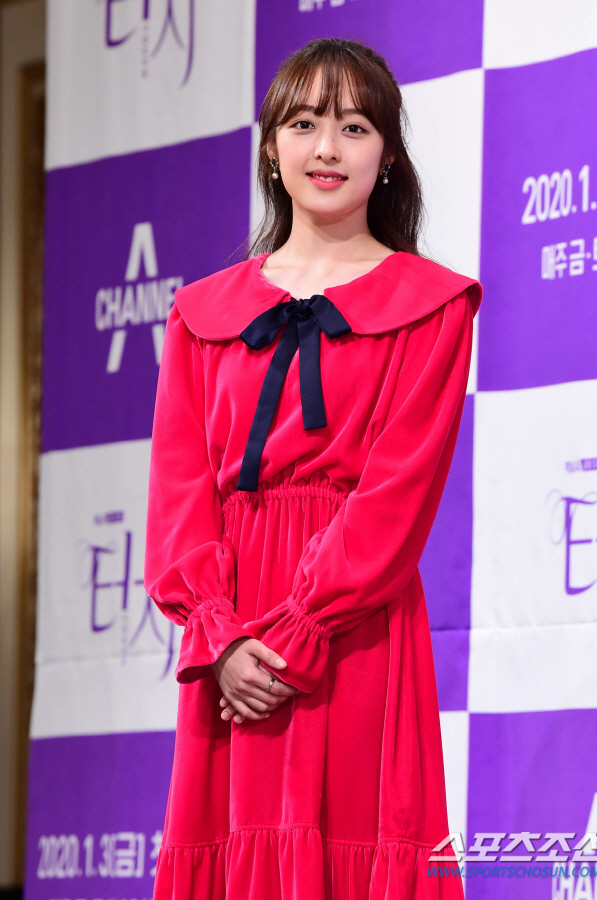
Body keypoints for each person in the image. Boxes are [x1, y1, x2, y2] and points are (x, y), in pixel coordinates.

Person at [144, 36, 481, 900]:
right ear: (271, 147)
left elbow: (397, 497)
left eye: (354, 127)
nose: (327, 148)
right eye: (303, 124)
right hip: (230, 635)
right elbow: (179, 493)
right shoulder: (200, 313)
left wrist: (298, 631)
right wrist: (221, 639)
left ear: (389, 155)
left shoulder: (433, 305)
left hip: (351, 629)